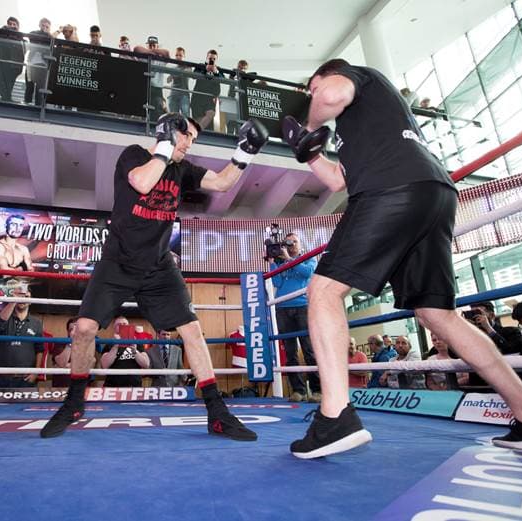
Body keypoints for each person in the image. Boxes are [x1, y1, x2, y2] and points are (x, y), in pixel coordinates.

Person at [281, 58, 522, 458]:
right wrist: (309, 152)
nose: (314, 94)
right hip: (433, 193)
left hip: (393, 189)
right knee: (439, 315)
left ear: (325, 76)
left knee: (324, 291)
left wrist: (311, 123)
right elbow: (337, 180)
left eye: (311, 87)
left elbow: (331, 95)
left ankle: (335, 418)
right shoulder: (368, 123)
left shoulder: (351, 76)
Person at [40, 112, 270, 440]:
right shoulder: (133, 155)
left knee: (192, 331)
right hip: (118, 262)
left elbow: (221, 182)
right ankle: (74, 403)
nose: (189, 144)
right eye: (186, 135)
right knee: (85, 328)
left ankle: (217, 413)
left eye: (193, 139)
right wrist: (164, 145)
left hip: (158, 266)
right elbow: (142, 182)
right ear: (168, 131)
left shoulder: (182, 170)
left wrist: (245, 152)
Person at [269, 232, 320, 402]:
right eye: (288, 242)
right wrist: (273, 263)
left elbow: (307, 273)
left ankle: (317, 390)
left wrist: (289, 259)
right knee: (290, 352)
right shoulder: (281, 262)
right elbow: (276, 282)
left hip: (303, 306)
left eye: (294, 242)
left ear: (300, 244)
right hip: (283, 307)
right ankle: (299, 390)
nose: (291, 245)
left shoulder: (309, 257)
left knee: (309, 349)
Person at [0, 287, 44, 388]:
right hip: (0, 377)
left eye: (26, 296)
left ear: (31, 301)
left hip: (25, 378)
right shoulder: (5, 316)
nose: (23, 299)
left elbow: (39, 349)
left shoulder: (37, 323)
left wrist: (36, 372)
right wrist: (14, 300)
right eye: (21, 296)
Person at [100, 318, 150, 387]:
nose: (122, 326)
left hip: (134, 386)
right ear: (114, 328)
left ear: (128, 326)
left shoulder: (137, 343)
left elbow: (146, 364)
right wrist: (115, 346)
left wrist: (135, 351)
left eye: (124, 324)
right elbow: (104, 365)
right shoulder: (109, 344)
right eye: (119, 324)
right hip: (113, 386)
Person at [0, 17, 24, 102]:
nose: (12, 26)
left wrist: (10, 32)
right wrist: (4, 30)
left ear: (18, 27)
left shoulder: (20, 37)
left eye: (14, 24)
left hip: (13, 66)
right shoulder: (3, 33)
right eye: (10, 24)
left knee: (9, 84)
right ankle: (7, 98)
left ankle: (6, 99)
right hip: (1, 62)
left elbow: (21, 48)